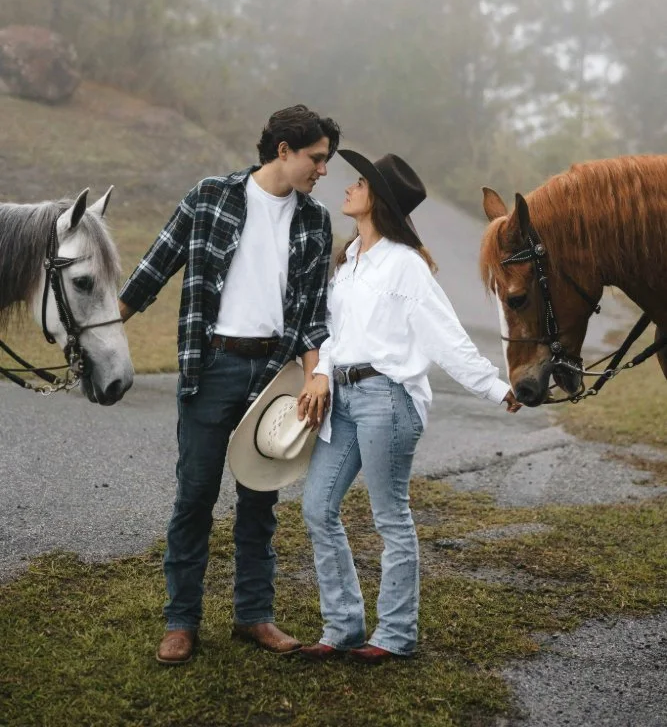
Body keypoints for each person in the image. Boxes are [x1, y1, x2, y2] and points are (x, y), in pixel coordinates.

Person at [118, 105, 340, 664]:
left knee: (260, 500)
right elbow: (156, 265)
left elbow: (314, 314)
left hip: (274, 376)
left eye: (327, 161)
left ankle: (254, 616)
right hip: (211, 364)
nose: (323, 170)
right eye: (317, 158)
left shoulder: (315, 223)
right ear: (284, 150)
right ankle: (181, 621)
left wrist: (316, 376)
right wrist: (101, 325)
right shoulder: (211, 196)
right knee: (194, 496)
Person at [296, 149, 520, 664]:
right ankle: (343, 626)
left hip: (387, 399)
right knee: (317, 507)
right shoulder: (350, 260)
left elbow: (447, 337)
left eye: (359, 182)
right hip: (344, 398)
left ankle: (395, 635)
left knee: (390, 518)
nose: (349, 188)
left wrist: (494, 386)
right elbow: (334, 335)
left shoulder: (405, 265)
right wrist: (323, 374)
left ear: (380, 199)